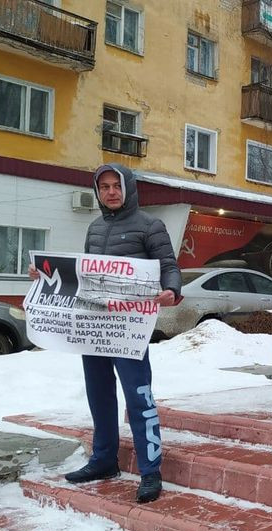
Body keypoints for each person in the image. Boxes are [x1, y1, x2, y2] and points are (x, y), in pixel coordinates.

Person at [30, 164, 181, 503]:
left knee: (138, 396)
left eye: (117, 186)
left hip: (129, 330)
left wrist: (171, 289)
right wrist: (43, 274)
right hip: (94, 327)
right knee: (99, 394)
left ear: (128, 188)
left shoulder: (150, 225)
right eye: (104, 187)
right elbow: (83, 276)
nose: (111, 192)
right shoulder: (95, 228)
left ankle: (151, 470)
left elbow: (169, 265)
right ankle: (103, 460)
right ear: (97, 191)